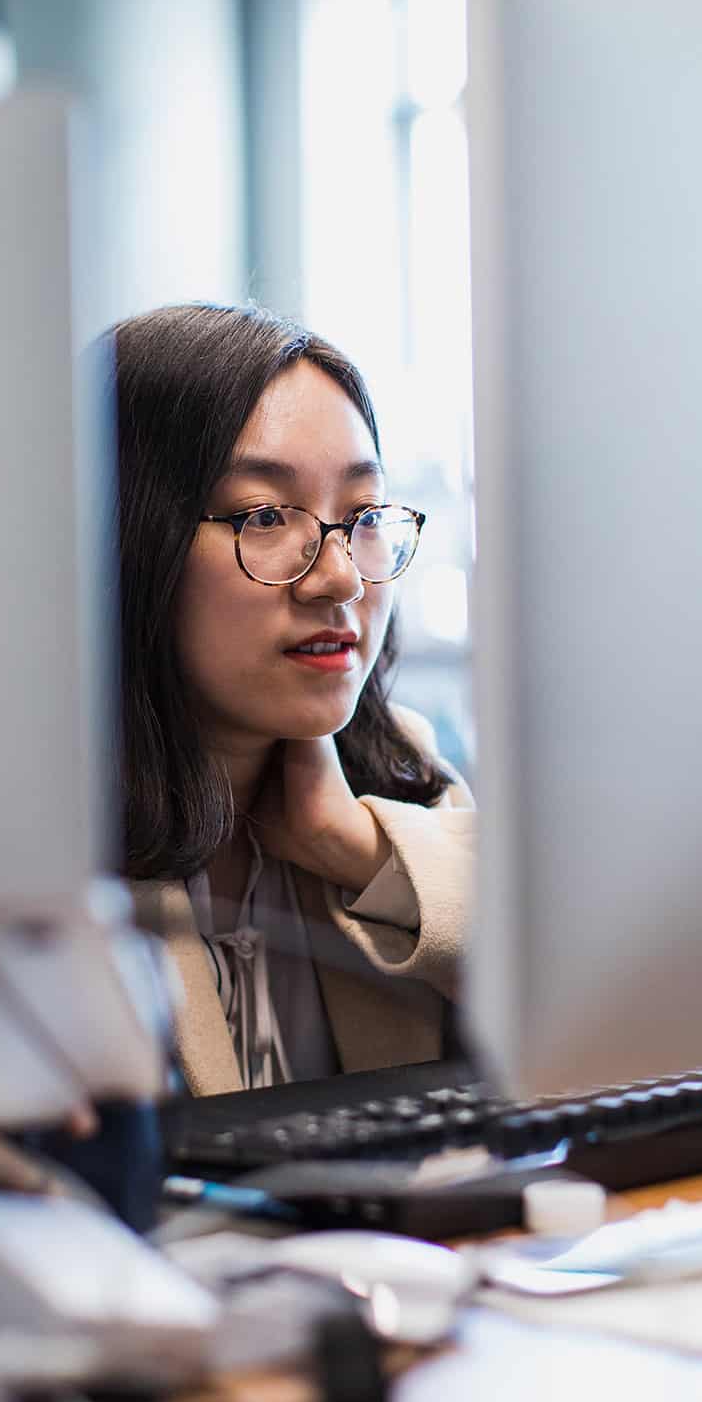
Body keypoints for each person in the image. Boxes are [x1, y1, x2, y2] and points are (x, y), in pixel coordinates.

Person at [113, 302, 476, 1097]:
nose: (340, 576)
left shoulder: (397, 772)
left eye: (362, 515)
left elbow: (589, 1011)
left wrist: (358, 848)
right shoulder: (23, 847)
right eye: (266, 515)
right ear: (130, 541)